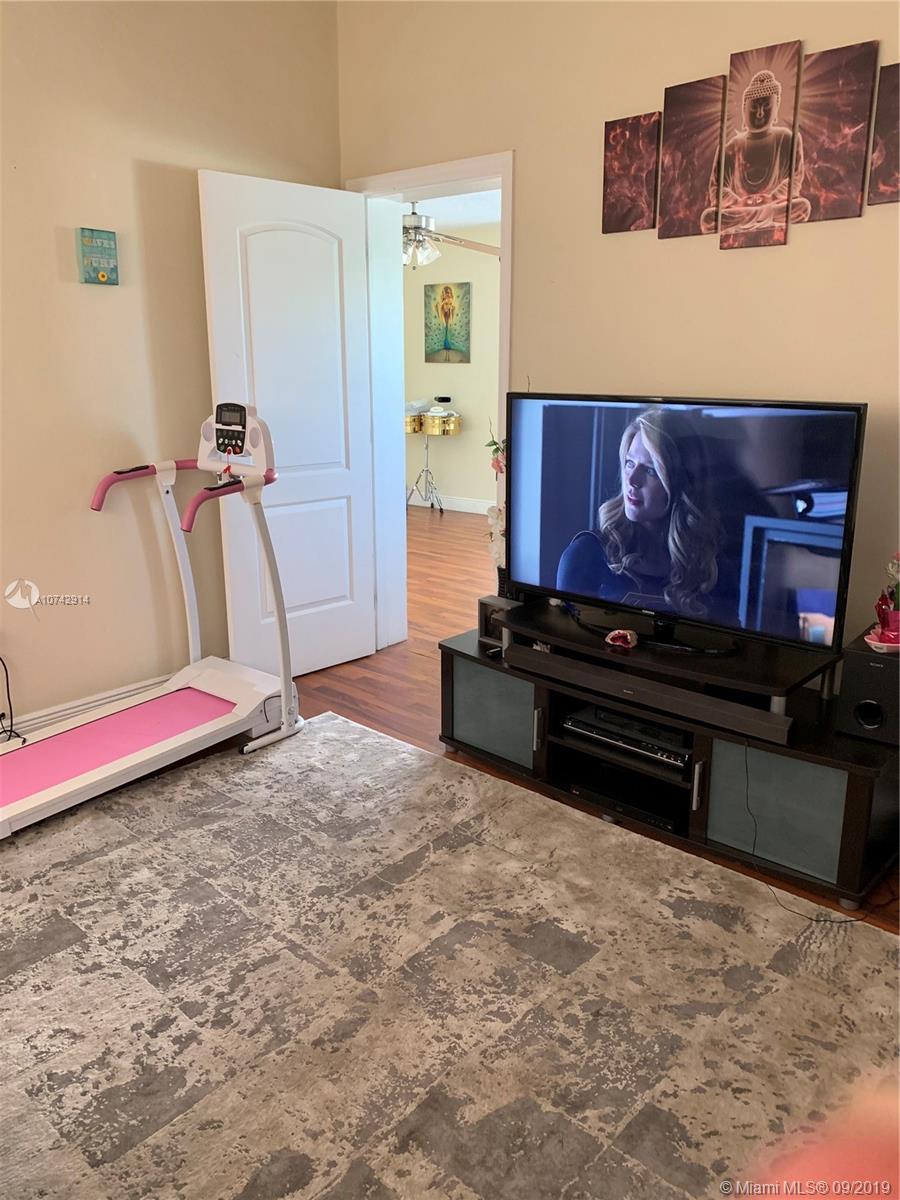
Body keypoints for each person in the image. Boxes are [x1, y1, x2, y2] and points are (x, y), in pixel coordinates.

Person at [556, 408, 737, 625]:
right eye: (629, 463)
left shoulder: (713, 570)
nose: (632, 480)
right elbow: (563, 636)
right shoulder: (586, 554)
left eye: (650, 470)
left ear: (681, 483)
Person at [700, 68, 810, 237]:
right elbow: (716, 189)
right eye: (754, 108)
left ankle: (758, 218)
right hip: (740, 210)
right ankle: (760, 219)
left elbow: (795, 179)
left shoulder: (787, 139)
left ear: (776, 110)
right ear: (744, 109)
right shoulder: (730, 147)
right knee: (708, 219)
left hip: (772, 207)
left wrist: (772, 198)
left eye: (767, 107)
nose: (760, 114)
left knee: (802, 208)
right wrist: (739, 202)